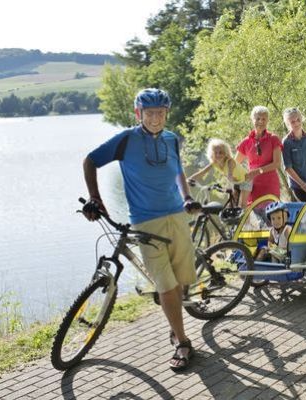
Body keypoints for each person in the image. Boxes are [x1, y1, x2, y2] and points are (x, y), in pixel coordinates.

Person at [81, 88, 199, 371]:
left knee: (183, 279)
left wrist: (186, 197)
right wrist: (95, 198)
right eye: (150, 113)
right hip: (147, 221)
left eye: (160, 112)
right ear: (139, 114)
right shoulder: (126, 140)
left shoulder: (171, 140)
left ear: (166, 113)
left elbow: (179, 170)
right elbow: (90, 161)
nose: (156, 118)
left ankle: (175, 326)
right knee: (166, 285)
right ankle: (183, 342)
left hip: (177, 216)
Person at [236, 106, 283, 204]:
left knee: (271, 217)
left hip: (270, 185)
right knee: (253, 215)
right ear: (252, 120)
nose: (260, 122)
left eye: (263, 119)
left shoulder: (273, 139)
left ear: (267, 121)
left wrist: (257, 171)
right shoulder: (246, 142)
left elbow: (277, 163)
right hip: (252, 187)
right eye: (257, 119)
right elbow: (234, 163)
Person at [187, 138, 252, 207]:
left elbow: (230, 175)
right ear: (212, 153)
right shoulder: (215, 163)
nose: (218, 155)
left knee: (242, 205)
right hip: (235, 181)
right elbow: (202, 172)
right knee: (231, 205)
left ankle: (246, 217)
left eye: (221, 152)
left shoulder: (230, 161)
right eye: (216, 153)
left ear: (226, 153)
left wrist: (231, 187)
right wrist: (189, 179)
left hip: (246, 180)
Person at [281, 107, 306, 202]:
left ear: (301, 119)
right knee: (305, 213)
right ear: (287, 124)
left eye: (298, 120)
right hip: (298, 187)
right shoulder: (286, 142)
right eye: (292, 122)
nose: (296, 123)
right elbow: (288, 168)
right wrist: (302, 184)